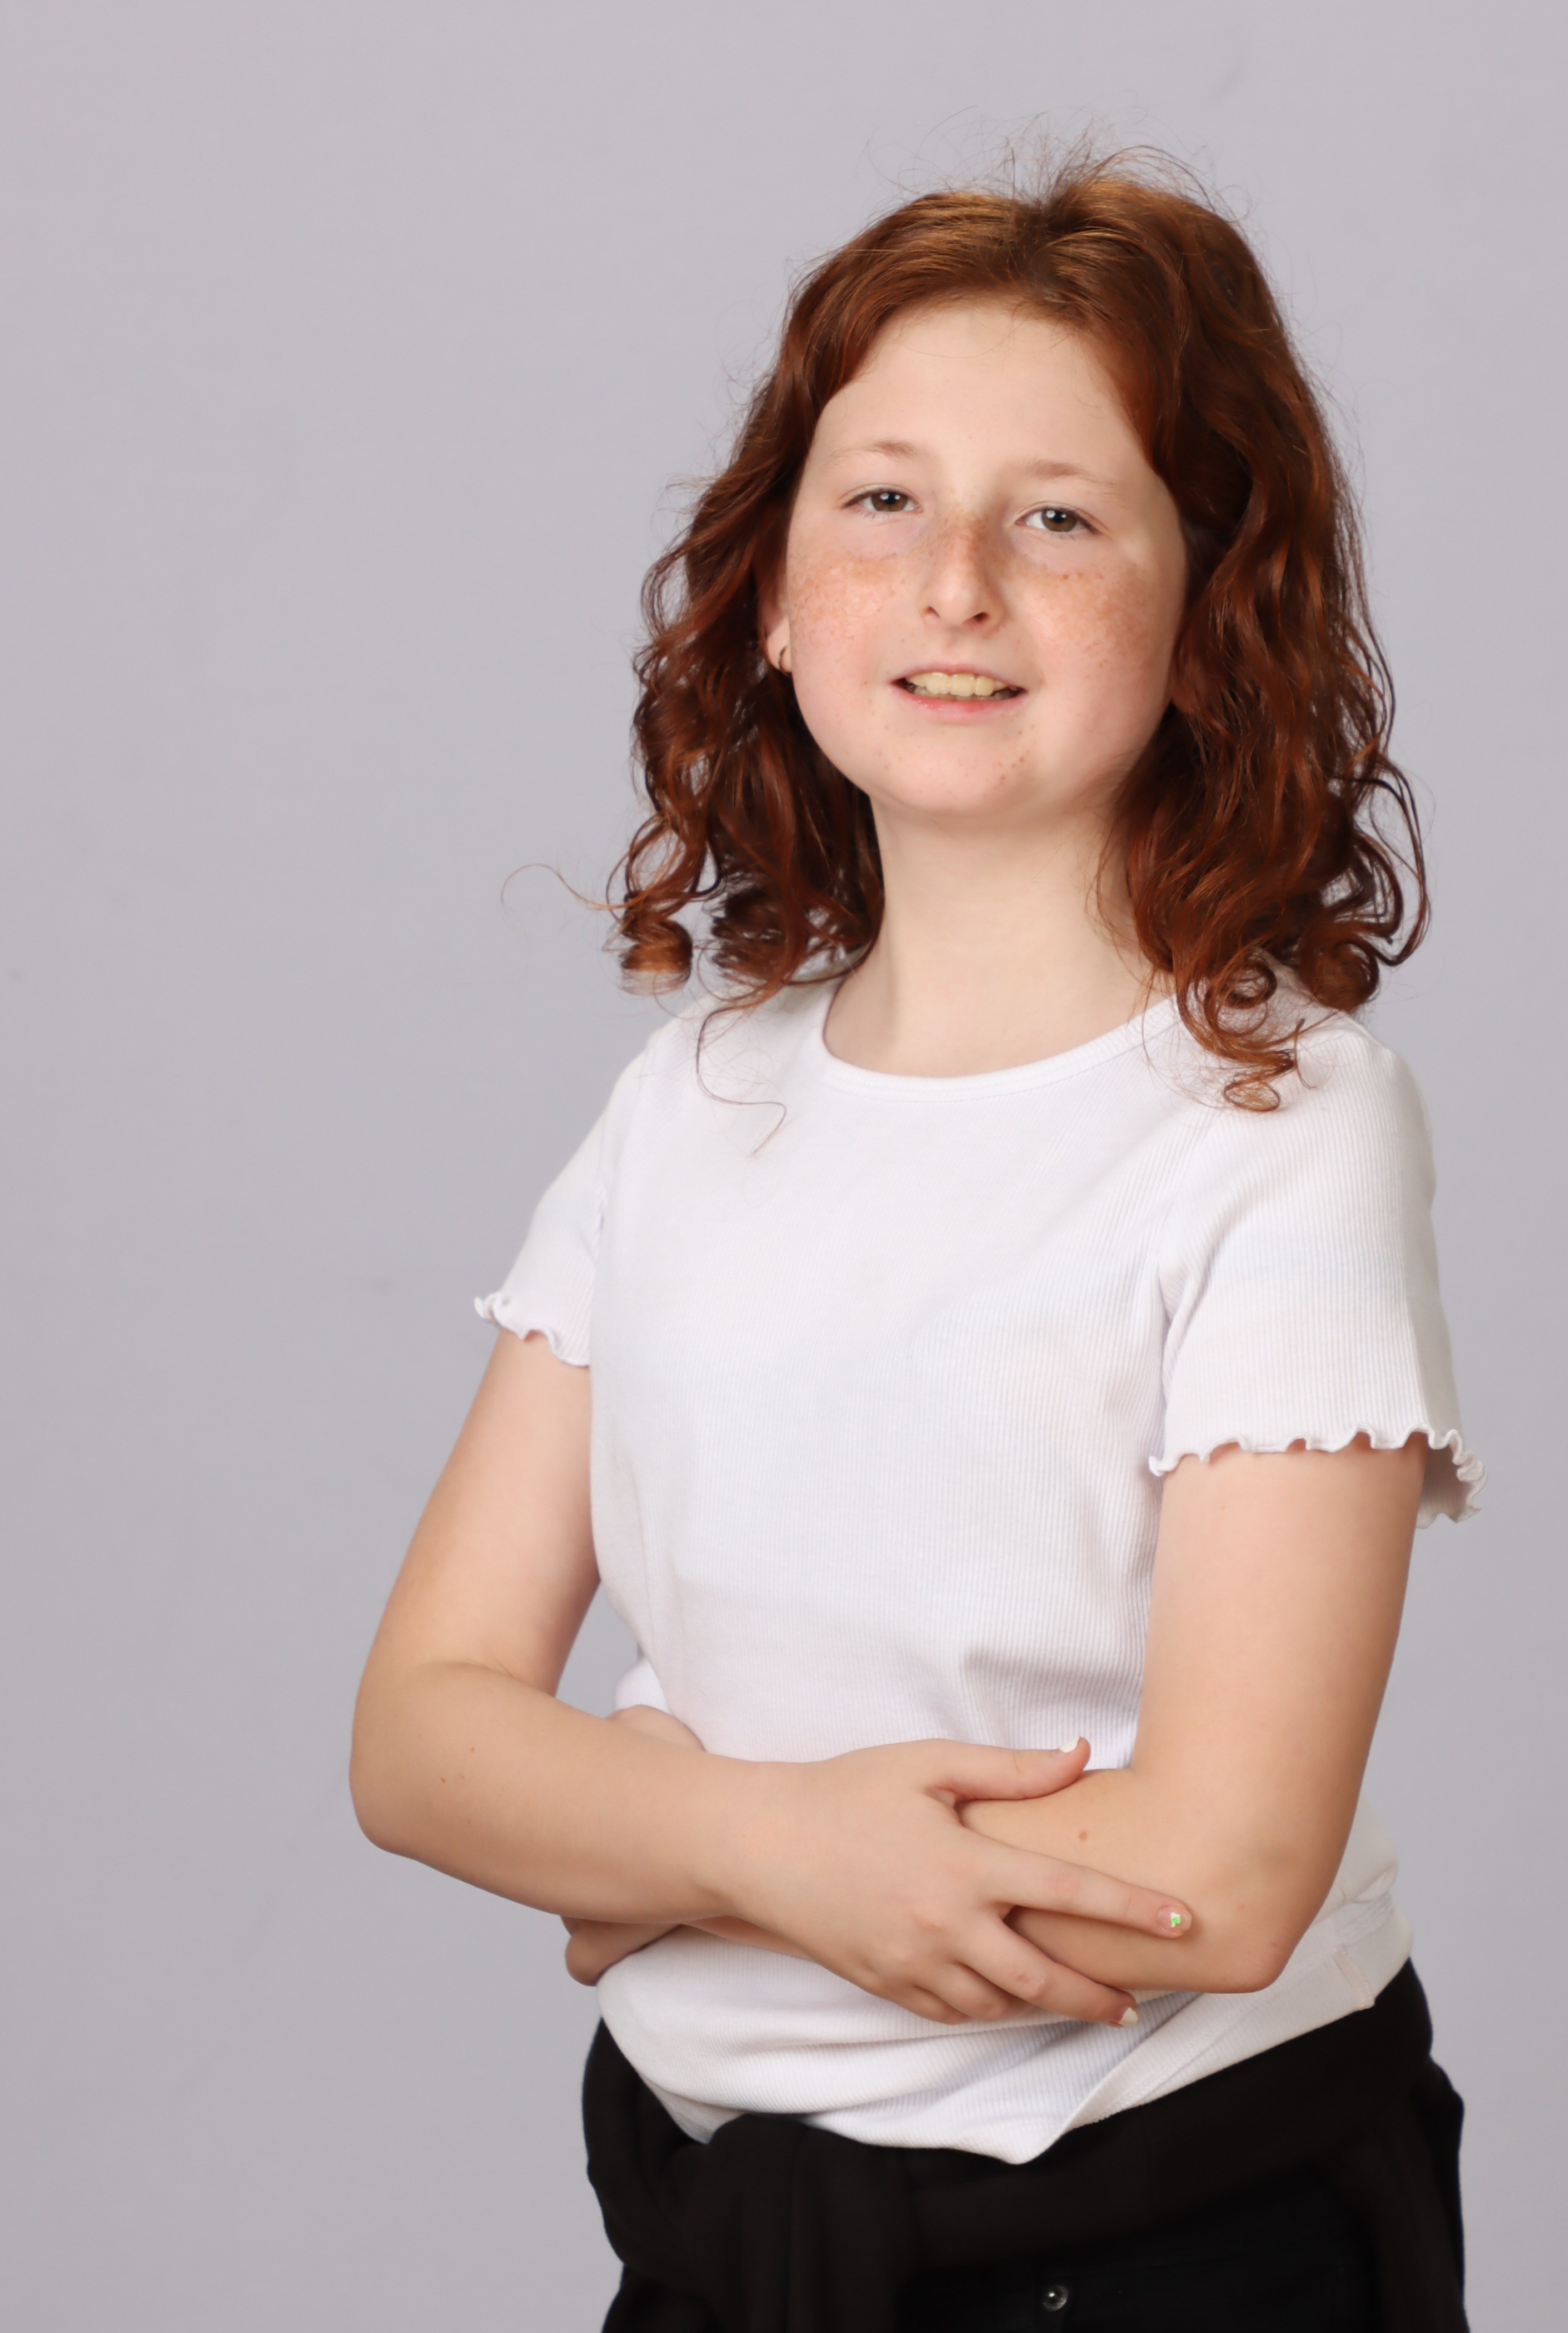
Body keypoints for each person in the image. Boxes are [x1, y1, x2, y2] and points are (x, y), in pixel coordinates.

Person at [351, 156, 1483, 2332]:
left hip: (1167, 2245)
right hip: (723, 2243)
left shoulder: (1283, 1127)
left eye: (1058, 516)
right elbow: (418, 1732)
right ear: (775, 598)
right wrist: (768, 1853)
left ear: (1208, 613)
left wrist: (645, 1845)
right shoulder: (688, 1105)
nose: (956, 581)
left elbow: (1228, 1875)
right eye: (882, 500)